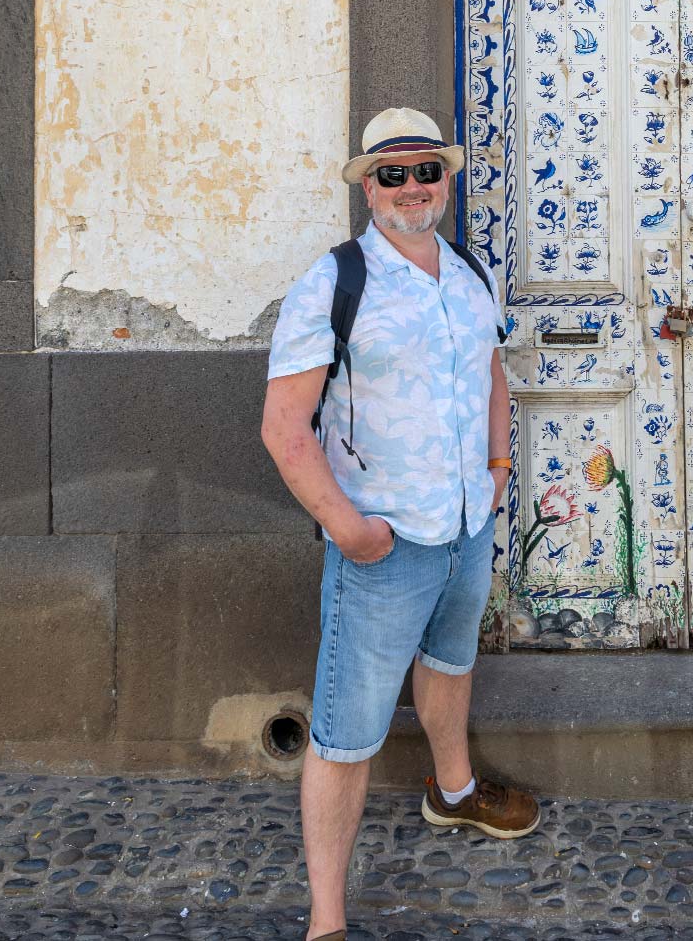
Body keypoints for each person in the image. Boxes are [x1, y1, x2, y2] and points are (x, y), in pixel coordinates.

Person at [260, 107, 539, 941]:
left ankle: (452, 791)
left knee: (451, 660)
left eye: (426, 171)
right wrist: (346, 528)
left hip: (464, 525)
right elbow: (283, 425)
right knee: (347, 731)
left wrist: (497, 471)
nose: (412, 187)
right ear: (368, 187)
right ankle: (328, 920)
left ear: (446, 180)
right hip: (382, 542)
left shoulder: (467, 273)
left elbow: (492, 370)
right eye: (393, 174)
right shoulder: (333, 283)